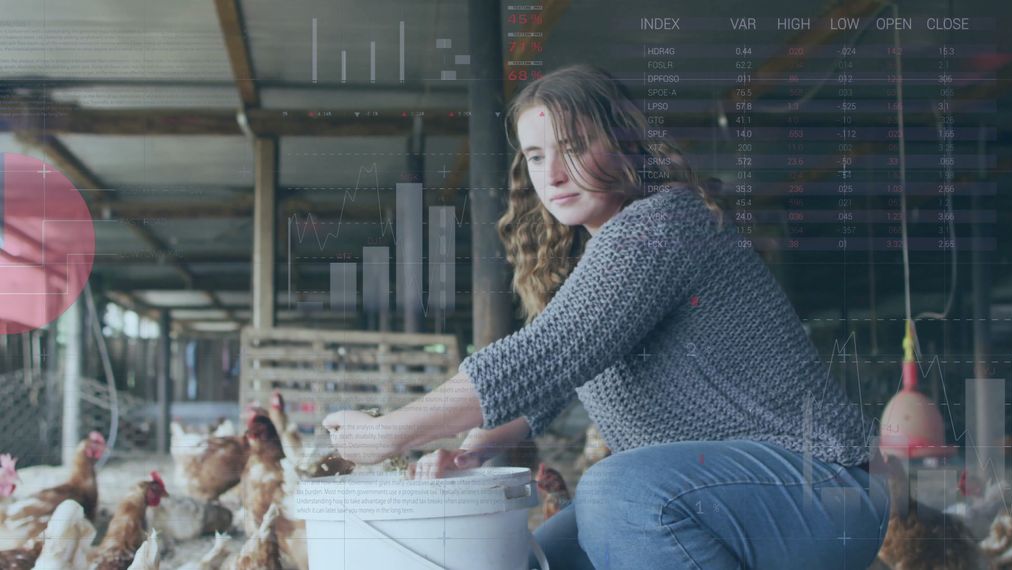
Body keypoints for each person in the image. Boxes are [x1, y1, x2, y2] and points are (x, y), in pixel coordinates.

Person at [323, 64, 890, 569]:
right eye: (537, 156)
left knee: (616, 492)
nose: (554, 174)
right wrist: (472, 451)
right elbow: (543, 389)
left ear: (625, 144)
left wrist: (387, 433)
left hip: (822, 487)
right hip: (745, 493)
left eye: (573, 146)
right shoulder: (593, 263)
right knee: (544, 556)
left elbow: (543, 355)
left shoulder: (660, 226)